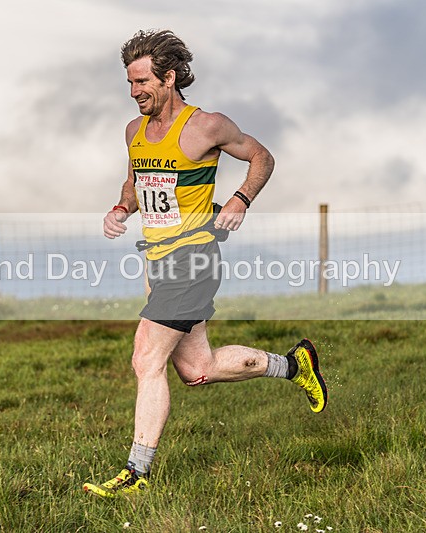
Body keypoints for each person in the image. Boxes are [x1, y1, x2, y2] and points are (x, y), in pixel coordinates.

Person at [83, 29, 327, 498]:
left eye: (142, 82)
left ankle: (135, 475)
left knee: (145, 357)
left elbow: (261, 156)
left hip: (193, 258)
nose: (135, 93)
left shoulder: (206, 127)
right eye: (130, 84)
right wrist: (120, 208)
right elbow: (136, 178)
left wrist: (240, 199)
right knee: (198, 368)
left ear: (169, 78)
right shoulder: (134, 131)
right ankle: (295, 365)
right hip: (157, 262)